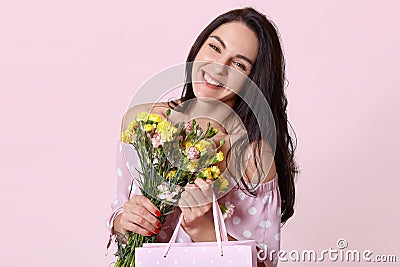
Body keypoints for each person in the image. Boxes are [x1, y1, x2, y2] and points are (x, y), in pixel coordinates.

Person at [105, 7, 298, 267]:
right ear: (198, 47)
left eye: (239, 64)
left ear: (253, 80)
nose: (219, 67)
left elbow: (264, 264)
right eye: (215, 48)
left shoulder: (252, 156)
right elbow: (120, 210)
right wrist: (124, 222)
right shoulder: (144, 122)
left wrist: (202, 229)